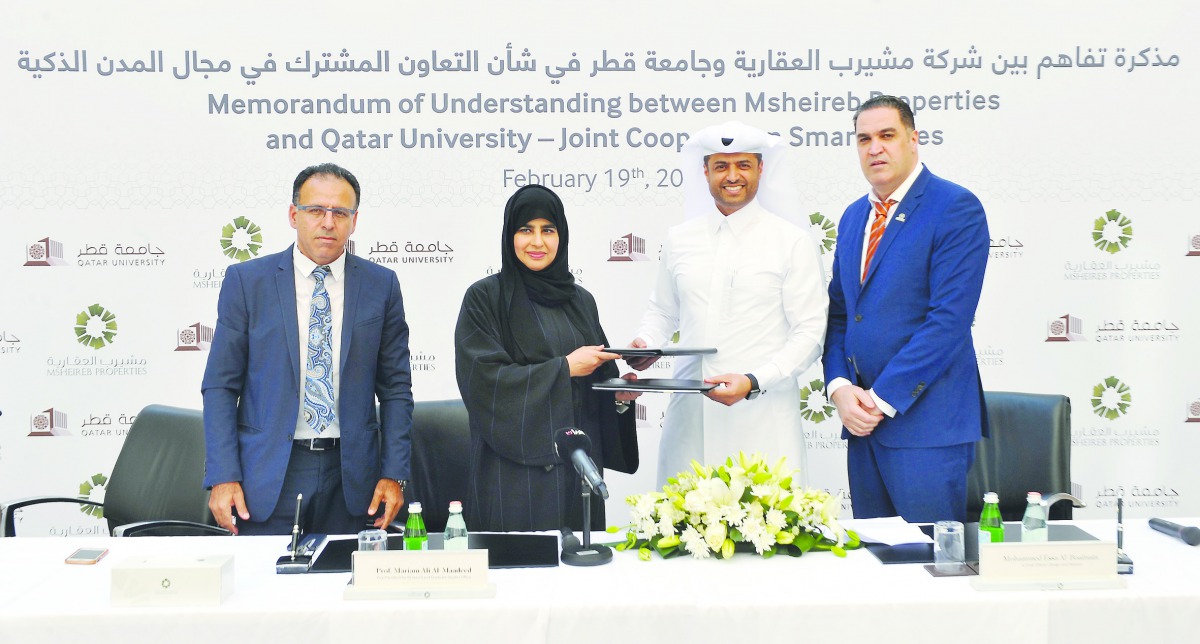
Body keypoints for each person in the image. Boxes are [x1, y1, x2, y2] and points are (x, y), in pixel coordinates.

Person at [202, 163, 413, 535]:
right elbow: (221, 386)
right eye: (316, 210)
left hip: (352, 479)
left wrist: (394, 473)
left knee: (348, 587)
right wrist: (222, 475)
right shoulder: (247, 283)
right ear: (293, 214)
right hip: (268, 477)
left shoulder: (382, 286)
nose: (328, 222)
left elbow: (396, 389)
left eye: (340, 213)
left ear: (354, 220)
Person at [628, 121, 827, 486]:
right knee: (681, 536)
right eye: (721, 166)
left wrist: (754, 381)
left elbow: (811, 333)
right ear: (705, 171)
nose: (732, 176)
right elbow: (662, 310)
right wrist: (645, 343)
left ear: (761, 169)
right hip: (690, 420)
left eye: (743, 165)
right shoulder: (680, 238)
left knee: (765, 536)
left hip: (762, 421)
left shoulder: (791, 241)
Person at [823, 95, 990, 524]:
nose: (874, 148)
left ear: (913, 140)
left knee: (931, 568)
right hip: (862, 429)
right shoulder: (853, 217)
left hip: (926, 429)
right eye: (864, 139)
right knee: (875, 571)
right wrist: (840, 387)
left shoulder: (954, 207)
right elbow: (841, 315)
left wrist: (880, 399)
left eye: (886, 136)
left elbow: (948, 322)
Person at [454, 185, 639, 532]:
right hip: (512, 481)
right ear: (510, 235)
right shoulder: (485, 298)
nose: (537, 242)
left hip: (579, 478)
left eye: (548, 230)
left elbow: (596, 380)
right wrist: (565, 368)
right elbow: (484, 383)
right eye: (525, 230)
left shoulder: (580, 300)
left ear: (562, 236)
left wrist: (618, 399)